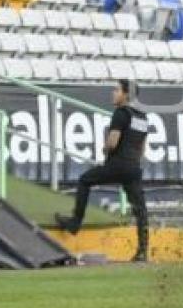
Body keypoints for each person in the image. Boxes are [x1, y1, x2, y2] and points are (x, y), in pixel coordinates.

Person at [55, 80, 149, 262]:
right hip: (134, 167)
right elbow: (143, 149)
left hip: (118, 164)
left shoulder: (121, 113)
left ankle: (75, 223)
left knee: (84, 180)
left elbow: (113, 141)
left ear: (126, 95)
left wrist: (105, 149)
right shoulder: (143, 118)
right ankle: (143, 250)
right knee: (140, 209)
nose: (113, 93)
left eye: (116, 90)